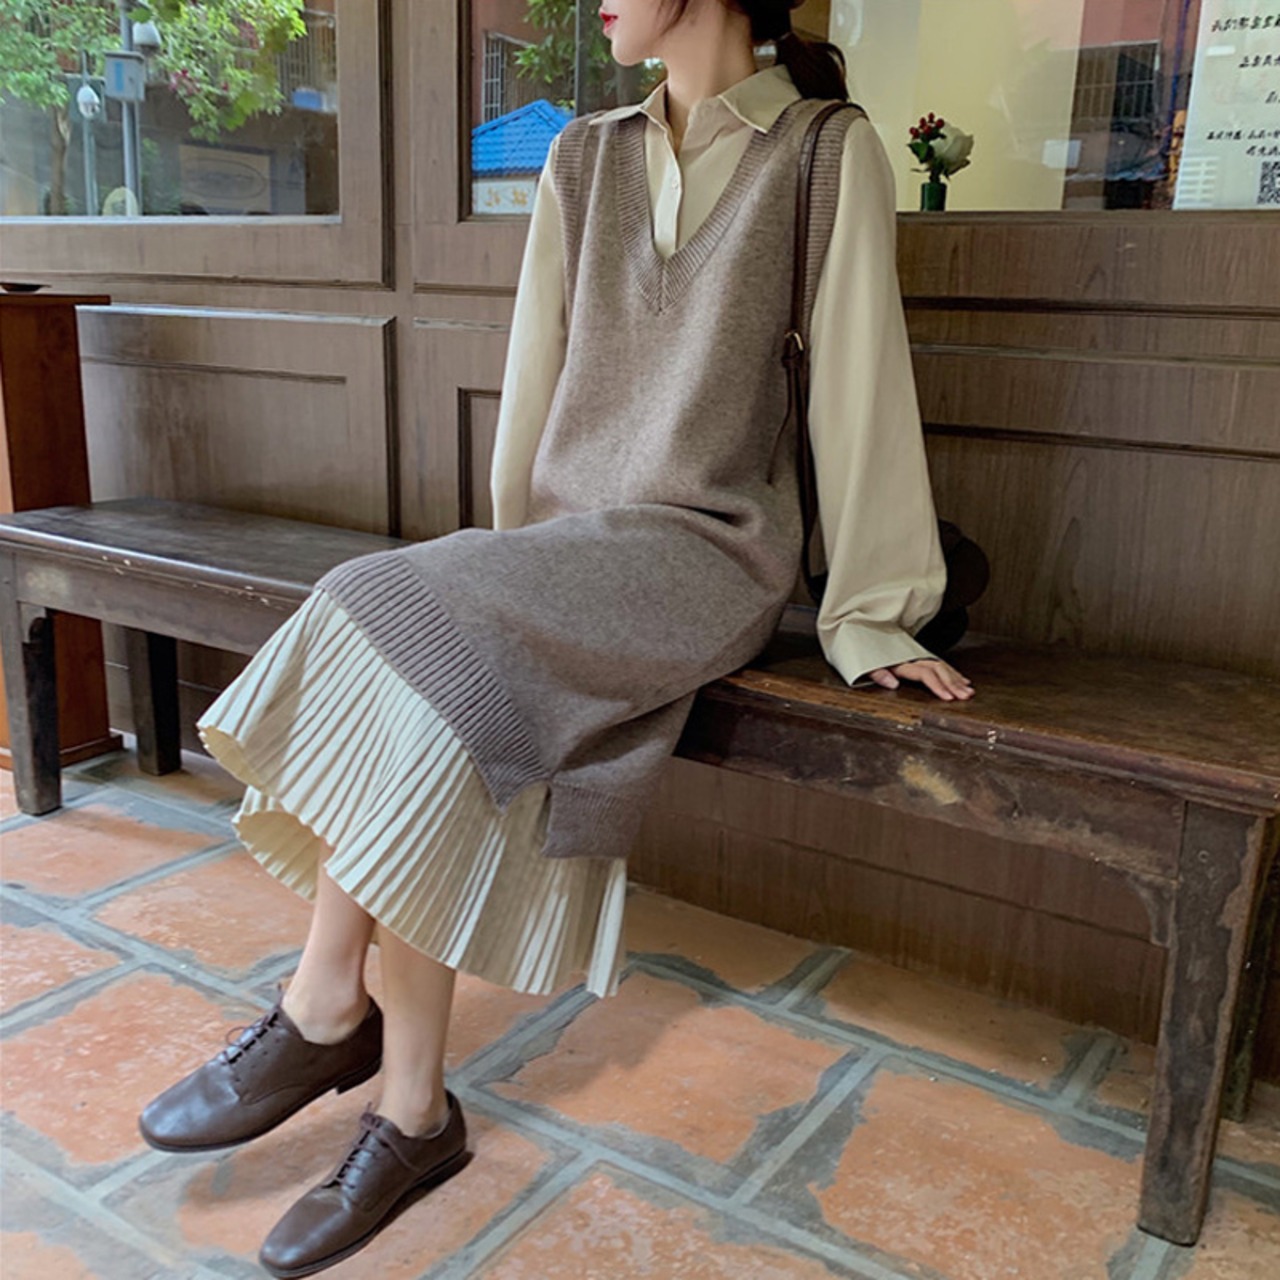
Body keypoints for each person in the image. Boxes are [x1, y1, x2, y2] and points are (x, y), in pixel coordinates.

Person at [137, 1, 975, 1275]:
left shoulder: (823, 149)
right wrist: (507, 569)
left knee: (393, 616)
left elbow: (861, 386)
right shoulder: (583, 154)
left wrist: (869, 610)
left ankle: (327, 1009)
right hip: (572, 546)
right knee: (430, 697)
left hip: (705, 551)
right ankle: (410, 1107)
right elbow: (536, 370)